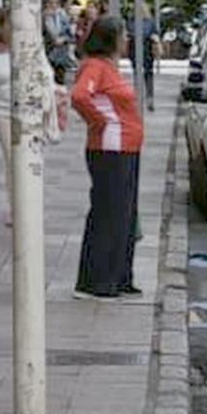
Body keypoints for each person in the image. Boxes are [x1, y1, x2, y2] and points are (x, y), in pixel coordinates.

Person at [0, 9, 61, 225]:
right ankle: (17, 208)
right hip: (3, 114)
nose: (16, 28)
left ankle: (31, 203)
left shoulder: (32, 49)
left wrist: (54, 91)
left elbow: (46, 72)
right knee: (14, 159)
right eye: (11, 24)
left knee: (32, 158)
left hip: (30, 112)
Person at [71, 16, 143, 300]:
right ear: (111, 38)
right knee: (108, 214)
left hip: (126, 147)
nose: (127, 40)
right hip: (109, 148)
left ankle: (119, 276)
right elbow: (79, 96)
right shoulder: (94, 66)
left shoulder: (111, 68)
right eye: (123, 35)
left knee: (125, 215)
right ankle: (96, 281)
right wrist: (99, 122)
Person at [126, 5, 161, 112]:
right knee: (144, 74)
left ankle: (143, 98)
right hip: (142, 50)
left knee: (142, 74)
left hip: (143, 49)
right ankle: (145, 98)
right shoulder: (148, 22)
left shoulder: (134, 22)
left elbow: (132, 33)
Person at [43, 0, 75, 84]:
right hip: (48, 52)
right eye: (50, 3)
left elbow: (70, 35)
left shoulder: (62, 15)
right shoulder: (42, 17)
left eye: (55, 3)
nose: (53, 6)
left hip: (60, 54)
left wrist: (63, 39)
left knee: (60, 79)